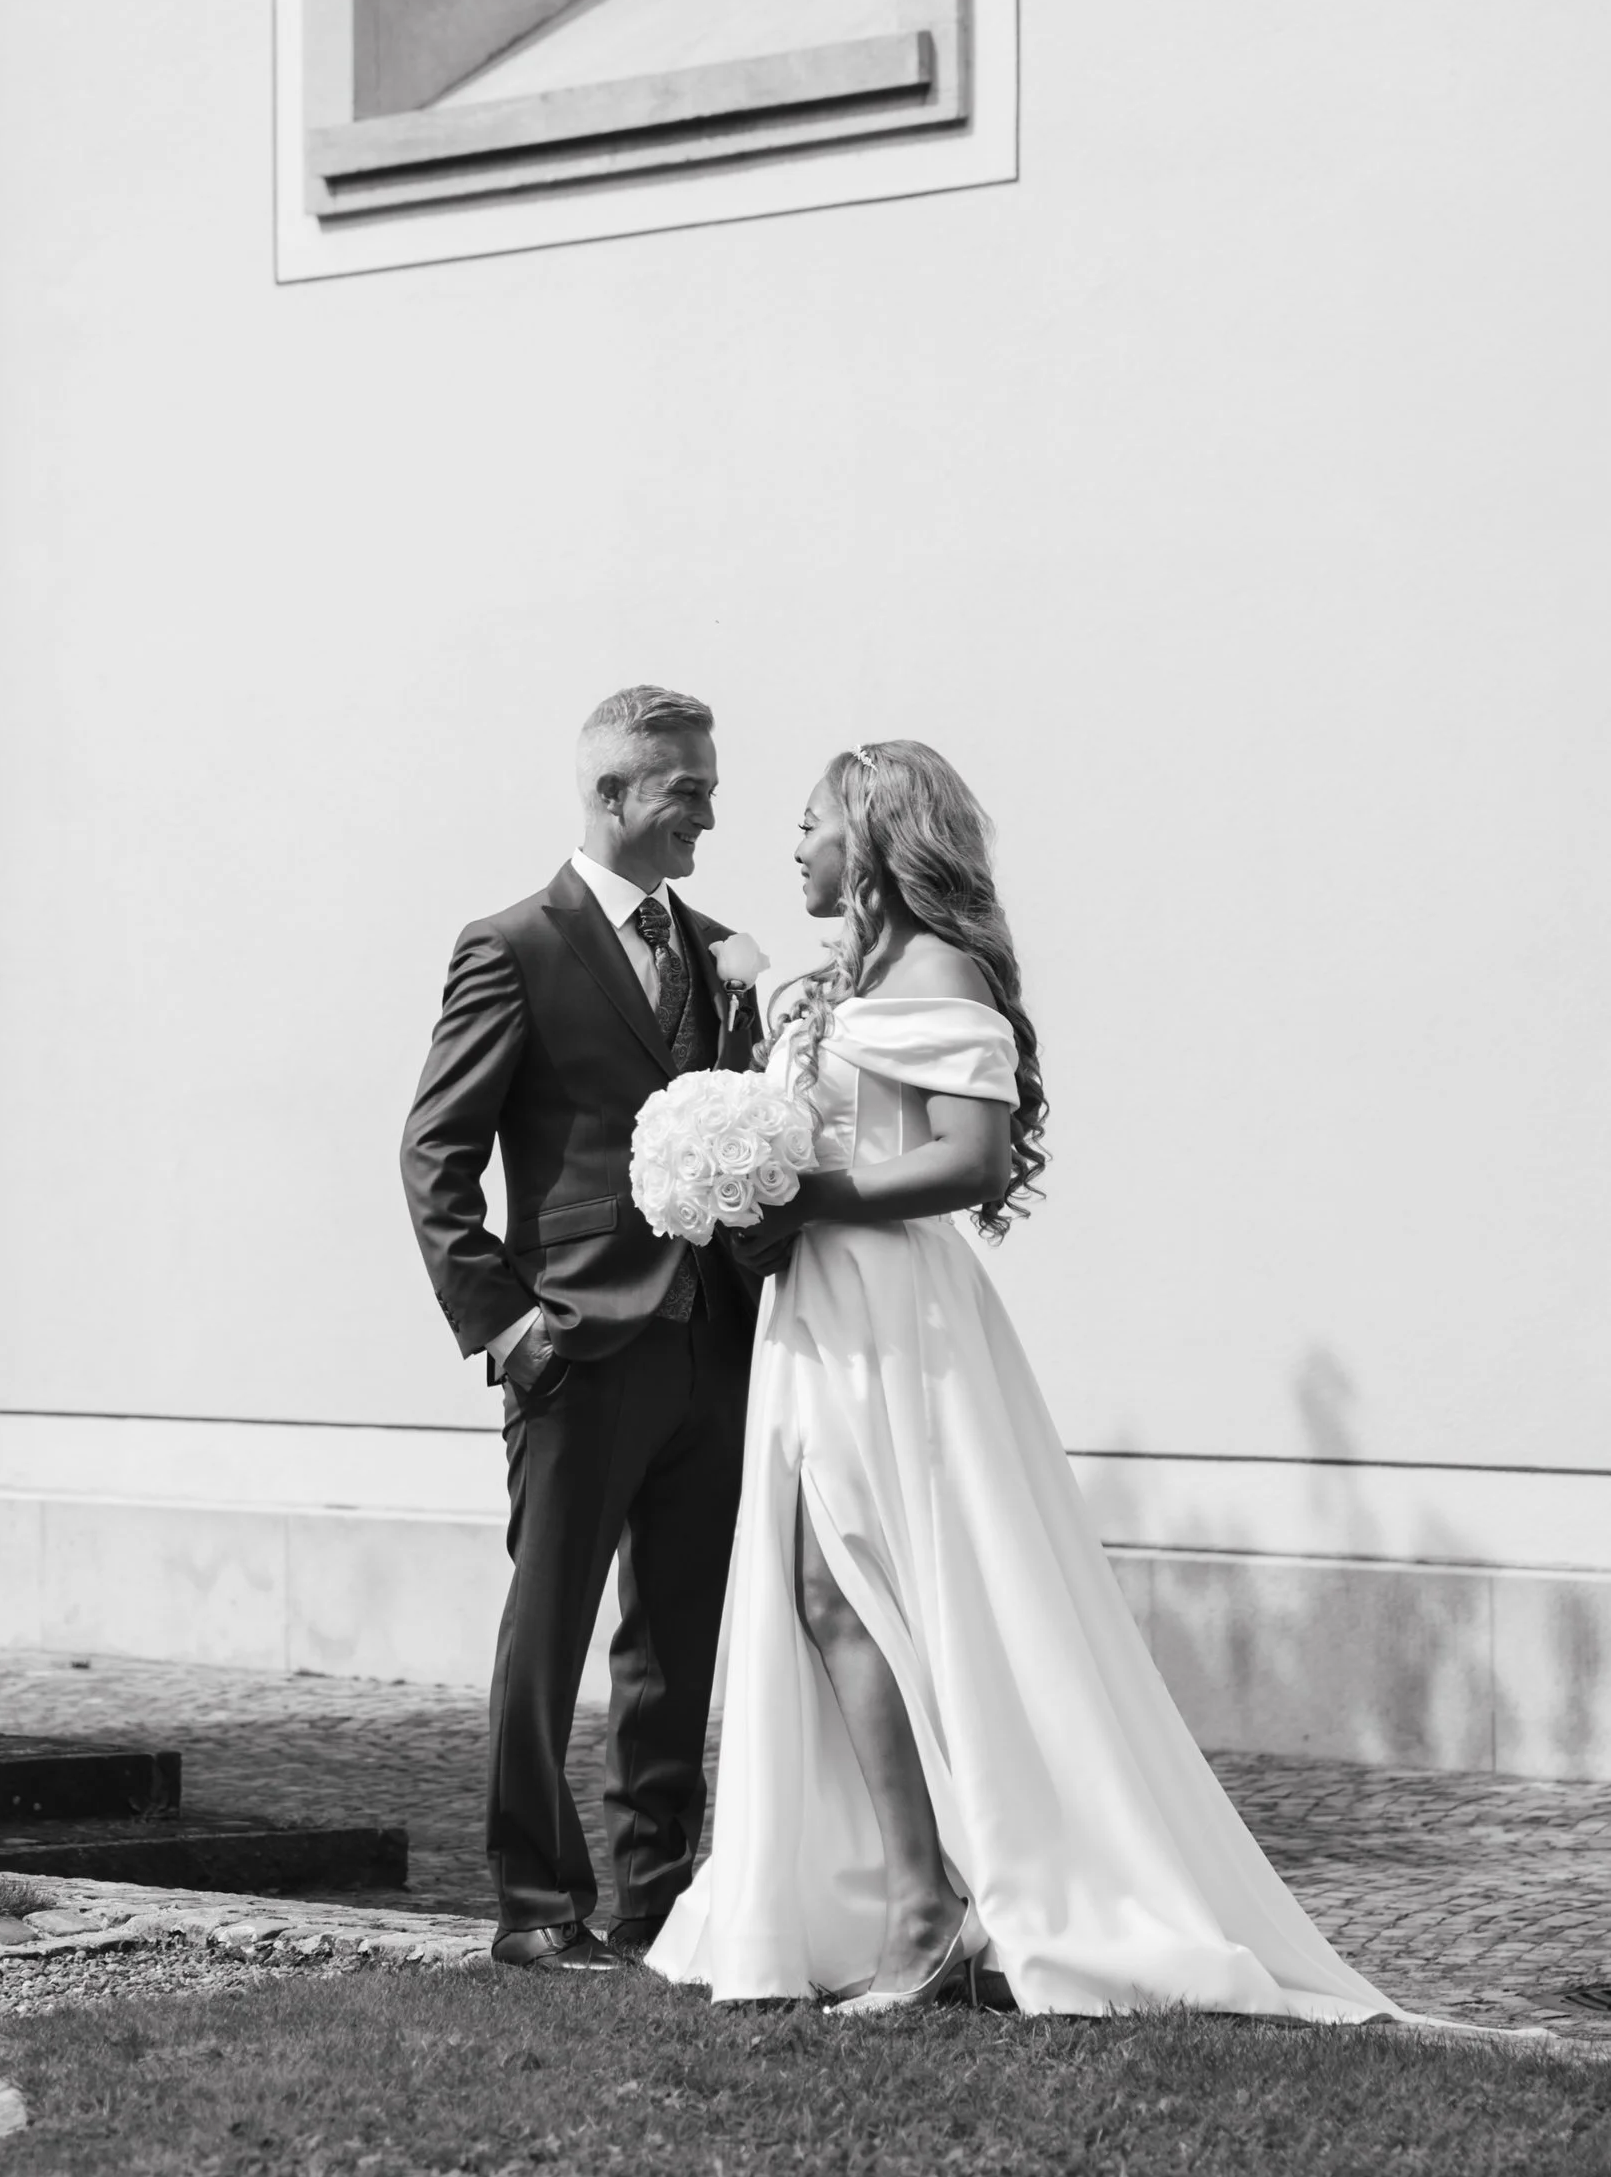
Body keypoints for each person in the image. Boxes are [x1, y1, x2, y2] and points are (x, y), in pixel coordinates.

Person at [650, 741, 1395, 2023]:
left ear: (873, 837)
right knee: (816, 1589)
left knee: (863, 1586)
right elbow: (836, 1127)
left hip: (892, 1313)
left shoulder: (938, 972)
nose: (792, 849)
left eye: (810, 823)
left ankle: (934, 1911)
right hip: (818, 1311)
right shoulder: (844, 981)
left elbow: (969, 1160)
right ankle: (909, 1899)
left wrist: (806, 1191)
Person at [401, 688, 764, 1972]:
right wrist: (507, 1331)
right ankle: (537, 1904)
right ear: (611, 795)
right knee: (545, 1636)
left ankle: (658, 1906)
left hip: (710, 1348)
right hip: (575, 1351)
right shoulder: (514, 945)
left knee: (675, 1643)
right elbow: (434, 1154)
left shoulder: (724, 955)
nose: (710, 813)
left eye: (711, 786)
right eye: (686, 791)